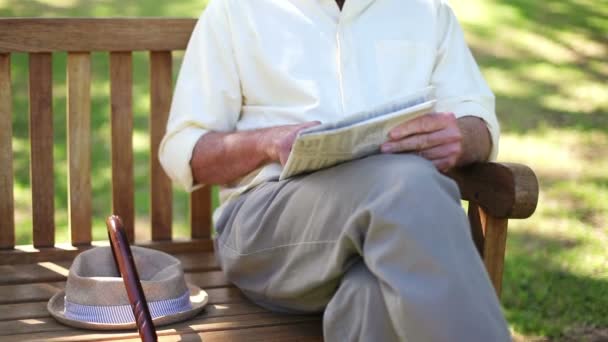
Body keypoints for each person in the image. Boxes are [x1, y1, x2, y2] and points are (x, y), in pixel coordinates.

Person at [159, 0, 511, 340]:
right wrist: (268, 142)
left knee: (369, 296)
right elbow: (184, 151)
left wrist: (462, 136)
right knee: (406, 185)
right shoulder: (236, 10)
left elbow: (477, 118)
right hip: (268, 228)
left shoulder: (427, 10)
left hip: (395, 235)